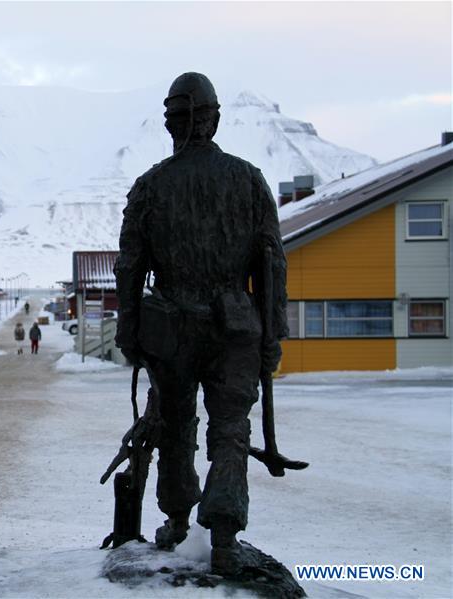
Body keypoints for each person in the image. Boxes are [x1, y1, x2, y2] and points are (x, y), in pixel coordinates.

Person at [113, 72, 288, 575]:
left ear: (171, 123)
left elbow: (130, 267)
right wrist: (271, 335)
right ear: (214, 119)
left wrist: (129, 334)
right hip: (235, 329)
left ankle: (175, 520)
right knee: (230, 429)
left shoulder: (150, 186)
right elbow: (272, 266)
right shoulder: (249, 180)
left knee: (174, 425)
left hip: (172, 331)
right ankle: (225, 534)